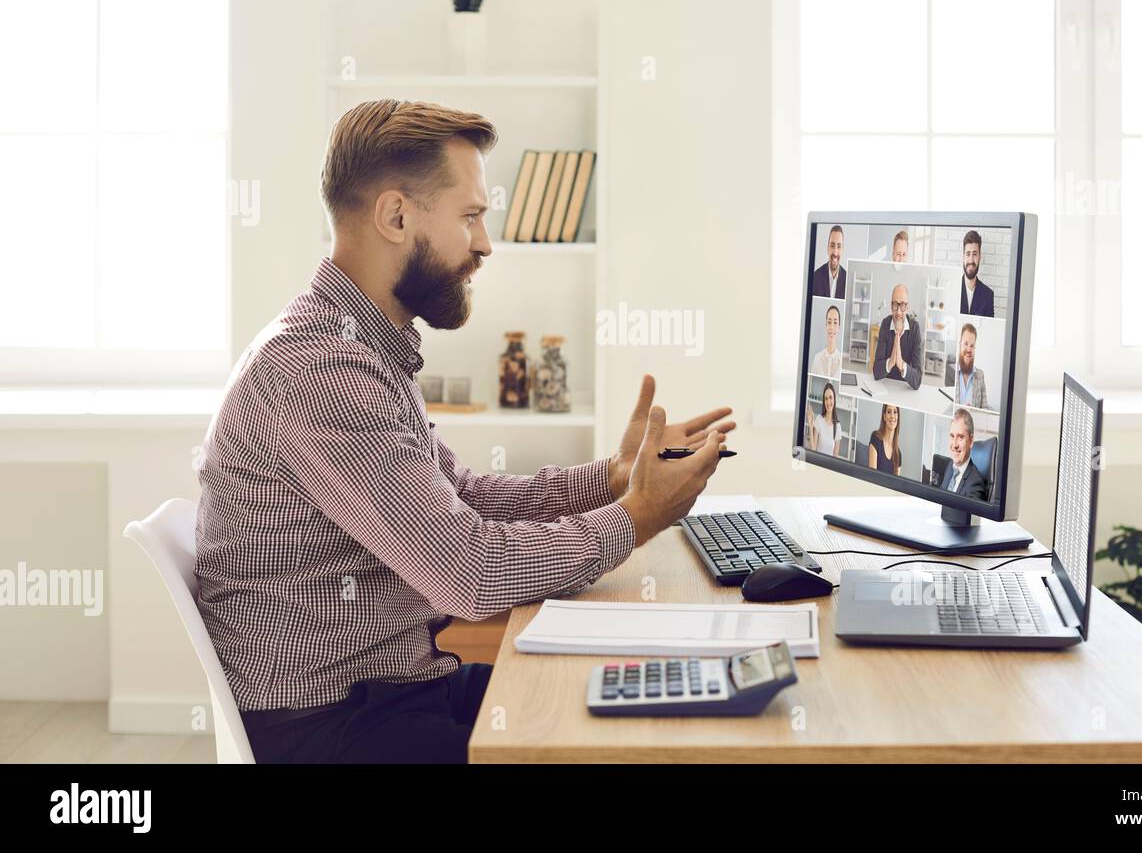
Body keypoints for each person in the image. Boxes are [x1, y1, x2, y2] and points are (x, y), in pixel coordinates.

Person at [194, 99, 736, 763]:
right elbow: (470, 573)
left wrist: (615, 479)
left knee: (618, 706)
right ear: (396, 216)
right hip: (333, 729)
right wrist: (639, 515)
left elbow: (463, 497)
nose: (484, 243)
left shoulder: (360, 347)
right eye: (472, 217)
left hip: (395, 693)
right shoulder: (320, 373)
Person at [872, 283, 922, 389]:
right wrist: (891, 362)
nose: (898, 312)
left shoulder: (915, 329)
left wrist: (901, 364)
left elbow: (917, 380)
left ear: (907, 307)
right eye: (895, 305)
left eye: (902, 305)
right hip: (885, 385)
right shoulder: (885, 324)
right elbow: (876, 372)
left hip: (905, 388)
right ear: (891, 306)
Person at [937, 408, 987, 500]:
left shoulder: (975, 485)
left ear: (971, 441)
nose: (955, 445)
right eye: (952, 436)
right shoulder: (950, 467)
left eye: (960, 437)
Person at [953, 322, 989, 410]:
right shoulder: (951, 372)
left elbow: (985, 409)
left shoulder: (980, 375)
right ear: (960, 344)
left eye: (972, 346)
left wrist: (973, 412)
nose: (969, 349)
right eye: (965, 343)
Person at [960, 229, 995, 317]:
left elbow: (989, 329)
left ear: (980, 257)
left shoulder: (988, 295)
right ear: (963, 257)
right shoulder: (952, 289)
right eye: (968, 254)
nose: (971, 260)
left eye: (975, 254)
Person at [805, 382, 843, 456]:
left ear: (834, 399)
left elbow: (835, 457)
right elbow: (813, 449)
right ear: (824, 401)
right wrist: (810, 424)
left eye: (830, 397)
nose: (828, 402)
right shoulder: (819, 419)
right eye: (826, 399)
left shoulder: (838, 427)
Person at [865, 404, 903, 475]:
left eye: (895, 412)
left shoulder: (898, 454)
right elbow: (873, 476)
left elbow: (896, 483)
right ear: (884, 417)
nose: (892, 416)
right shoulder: (875, 438)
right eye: (889, 412)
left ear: (898, 417)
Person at [811, 225, 846, 298]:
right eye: (832, 246)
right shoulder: (815, 278)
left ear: (842, 250)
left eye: (839, 246)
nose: (835, 252)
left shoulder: (848, 281)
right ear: (827, 248)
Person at [810, 304, 842, 378]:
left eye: (835, 323)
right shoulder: (817, 359)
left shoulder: (841, 361)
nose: (831, 327)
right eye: (829, 322)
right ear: (826, 325)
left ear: (839, 327)